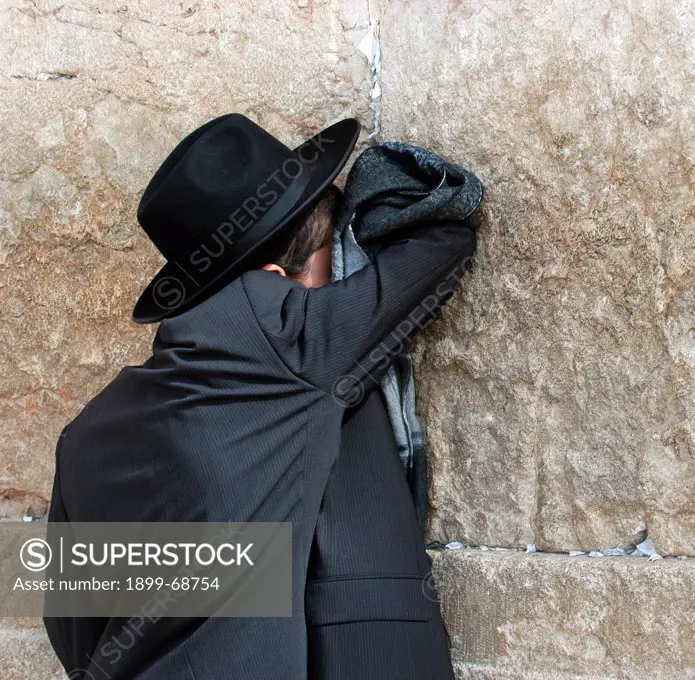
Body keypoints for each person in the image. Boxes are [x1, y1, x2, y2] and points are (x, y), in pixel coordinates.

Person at [43, 113, 475, 679]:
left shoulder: (84, 436)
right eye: (331, 262)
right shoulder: (284, 337)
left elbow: (75, 634)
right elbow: (443, 242)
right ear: (275, 279)